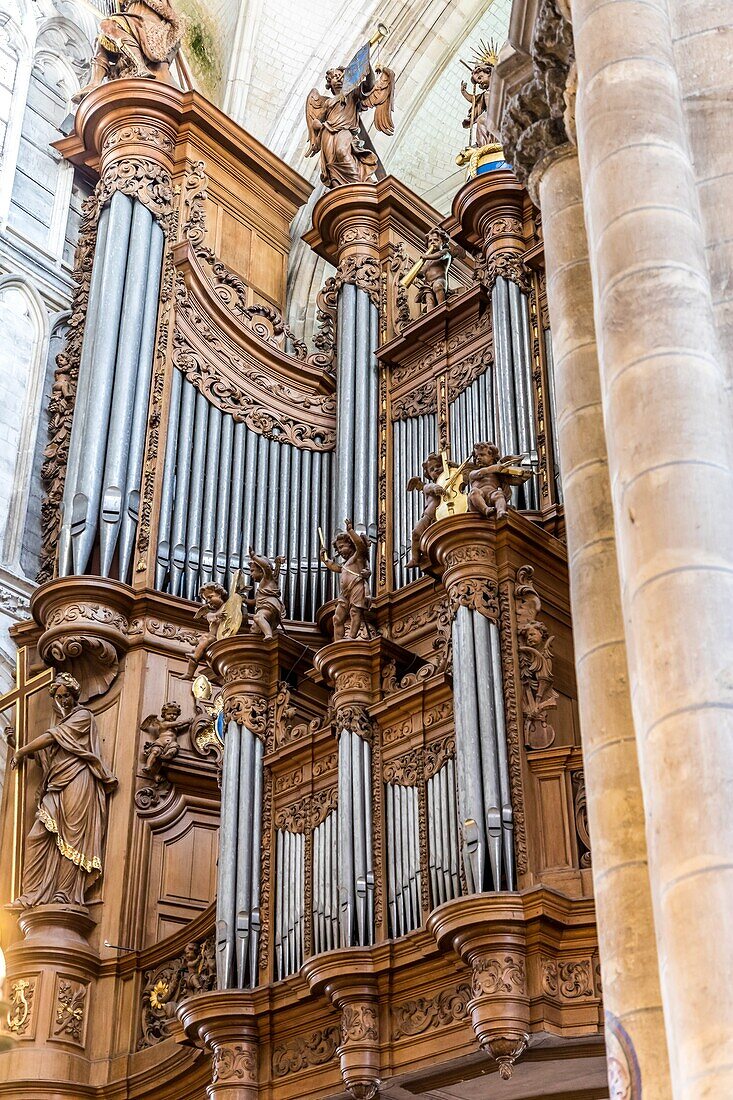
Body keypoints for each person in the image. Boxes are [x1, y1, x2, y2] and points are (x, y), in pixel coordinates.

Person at [11, 673, 117, 908]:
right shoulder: (62, 722)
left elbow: (52, 738)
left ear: (74, 695)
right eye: (58, 697)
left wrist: (21, 751)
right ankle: (33, 894)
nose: (63, 701)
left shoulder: (82, 716)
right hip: (57, 782)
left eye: (66, 695)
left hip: (79, 780)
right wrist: (20, 748)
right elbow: (48, 757)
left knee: (72, 837)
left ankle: (63, 892)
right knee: (37, 836)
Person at [73, 0, 183, 103]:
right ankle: (94, 83)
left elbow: (162, 7)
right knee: (100, 41)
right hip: (132, 21)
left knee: (107, 25)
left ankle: (141, 67)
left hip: (146, 21)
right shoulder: (126, 7)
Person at [305, 65, 395, 188]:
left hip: (345, 130)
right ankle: (337, 187)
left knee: (342, 151)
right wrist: (316, 124)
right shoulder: (327, 102)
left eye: (340, 76)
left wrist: (365, 65)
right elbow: (318, 119)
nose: (338, 79)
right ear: (330, 83)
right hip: (327, 132)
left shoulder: (352, 94)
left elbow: (370, 84)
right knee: (331, 162)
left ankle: (358, 183)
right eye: (334, 77)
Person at [320, 520, 372, 641]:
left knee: (355, 612)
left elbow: (360, 543)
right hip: (345, 593)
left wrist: (350, 531)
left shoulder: (358, 556)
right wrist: (325, 560)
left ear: (350, 544)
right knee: (337, 618)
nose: (339, 551)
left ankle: (351, 637)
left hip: (357, 586)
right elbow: (335, 567)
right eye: (338, 549)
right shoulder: (345, 564)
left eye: (342, 547)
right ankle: (338, 642)